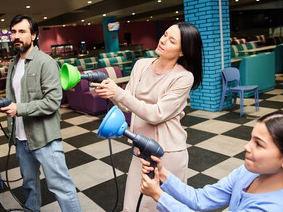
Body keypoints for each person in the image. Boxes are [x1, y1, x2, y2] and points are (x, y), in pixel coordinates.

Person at [91, 22, 203, 211]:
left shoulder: (184, 77)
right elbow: (128, 106)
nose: (163, 40)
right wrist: (110, 93)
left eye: (172, 40)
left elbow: (156, 114)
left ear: (182, 52)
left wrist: (118, 93)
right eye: (165, 34)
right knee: (132, 206)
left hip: (168, 153)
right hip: (141, 148)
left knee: (163, 207)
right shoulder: (141, 65)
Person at [0, 14, 82, 212]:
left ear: (33, 35)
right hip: (21, 139)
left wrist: (19, 109)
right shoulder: (13, 64)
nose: (17, 36)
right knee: (30, 187)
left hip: (45, 140)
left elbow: (53, 102)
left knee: (61, 187)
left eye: (22, 32)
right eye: (14, 32)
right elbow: (15, 97)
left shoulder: (46, 62)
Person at [140, 111, 283, 211]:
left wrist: (158, 195)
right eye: (251, 139)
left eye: (258, 144)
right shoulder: (246, 173)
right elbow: (199, 198)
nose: (247, 146)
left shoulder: (272, 207)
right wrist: (162, 172)